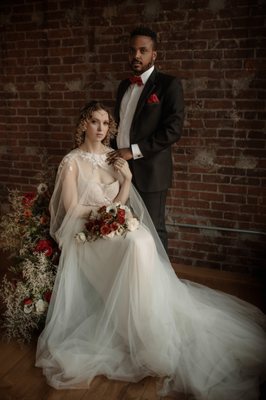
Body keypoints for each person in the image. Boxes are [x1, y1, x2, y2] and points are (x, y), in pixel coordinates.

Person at [36, 101, 266, 400]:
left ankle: (145, 317)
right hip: (84, 231)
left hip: (110, 224)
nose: (101, 129)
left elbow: (121, 200)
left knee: (142, 239)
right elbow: (73, 208)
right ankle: (134, 323)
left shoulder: (112, 157)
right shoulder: (72, 161)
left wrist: (127, 180)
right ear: (83, 125)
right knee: (134, 243)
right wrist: (105, 215)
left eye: (106, 124)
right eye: (95, 122)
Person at [107, 26, 184, 251]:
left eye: (143, 50)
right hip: (120, 168)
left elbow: (173, 130)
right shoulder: (124, 85)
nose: (136, 56)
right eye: (132, 51)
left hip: (150, 170)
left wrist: (133, 150)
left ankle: (159, 284)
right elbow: (119, 126)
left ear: (154, 54)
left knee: (153, 229)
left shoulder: (169, 85)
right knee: (124, 226)